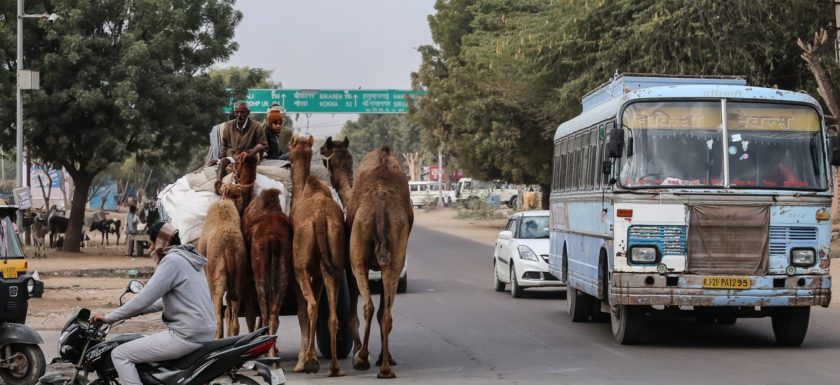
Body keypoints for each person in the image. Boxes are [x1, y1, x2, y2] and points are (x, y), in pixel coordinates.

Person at [92, 223, 215, 385]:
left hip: (186, 336)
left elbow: (144, 298)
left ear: (160, 242)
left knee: (120, 354)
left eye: (151, 243)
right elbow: (161, 302)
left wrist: (109, 318)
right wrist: (137, 312)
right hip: (204, 332)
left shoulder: (172, 261)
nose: (150, 249)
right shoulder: (188, 259)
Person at [212, 101, 268, 186]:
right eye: (237, 112)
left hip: (247, 157)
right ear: (234, 113)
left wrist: (253, 151)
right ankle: (218, 183)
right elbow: (225, 145)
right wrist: (219, 159)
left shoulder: (257, 127)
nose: (239, 115)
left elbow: (263, 145)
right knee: (223, 161)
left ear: (248, 113)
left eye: (242, 112)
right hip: (232, 157)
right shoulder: (228, 126)